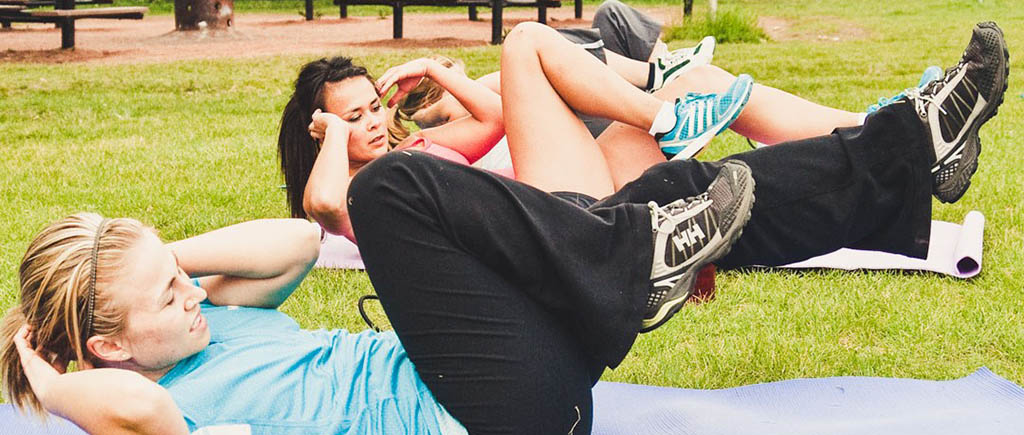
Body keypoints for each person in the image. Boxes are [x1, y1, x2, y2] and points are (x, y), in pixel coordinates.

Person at [1, 21, 1007, 435]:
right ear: (107, 345)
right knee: (385, 190)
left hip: (514, 369)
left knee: (660, 199)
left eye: (180, 282)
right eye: (166, 298)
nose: (190, 294)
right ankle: (631, 257)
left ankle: (906, 151)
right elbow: (132, 411)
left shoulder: (219, 321)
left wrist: (161, 253)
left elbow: (296, 243)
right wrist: (48, 373)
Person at [279, 21, 755, 242]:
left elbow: (497, 119)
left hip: (565, 200)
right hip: (551, 221)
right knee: (525, 42)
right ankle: (668, 123)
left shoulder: (416, 147)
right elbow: (321, 205)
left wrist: (432, 68)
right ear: (321, 130)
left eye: (374, 107)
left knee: (679, 96)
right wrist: (336, 137)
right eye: (353, 117)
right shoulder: (359, 192)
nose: (374, 122)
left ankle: (669, 121)